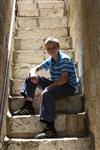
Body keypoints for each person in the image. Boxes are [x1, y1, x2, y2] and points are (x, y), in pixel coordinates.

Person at [12, 37, 78, 139]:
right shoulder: (51, 60)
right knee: (31, 78)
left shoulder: (65, 59)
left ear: (59, 47)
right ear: (46, 50)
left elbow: (64, 80)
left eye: (54, 48)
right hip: (56, 83)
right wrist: (33, 74)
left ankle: (51, 129)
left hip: (68, 86)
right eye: (49, 48)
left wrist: (48, 88)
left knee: (47, 94)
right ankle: (28, 106)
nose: (51, 50)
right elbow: (34, 69)